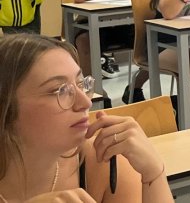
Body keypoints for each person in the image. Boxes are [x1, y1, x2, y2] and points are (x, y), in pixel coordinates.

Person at [0, 35, 173, 203]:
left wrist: (154, 174)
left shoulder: (103, 159)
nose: (85, 102)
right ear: (5, 108)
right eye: (59, 90)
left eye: (81, 84)